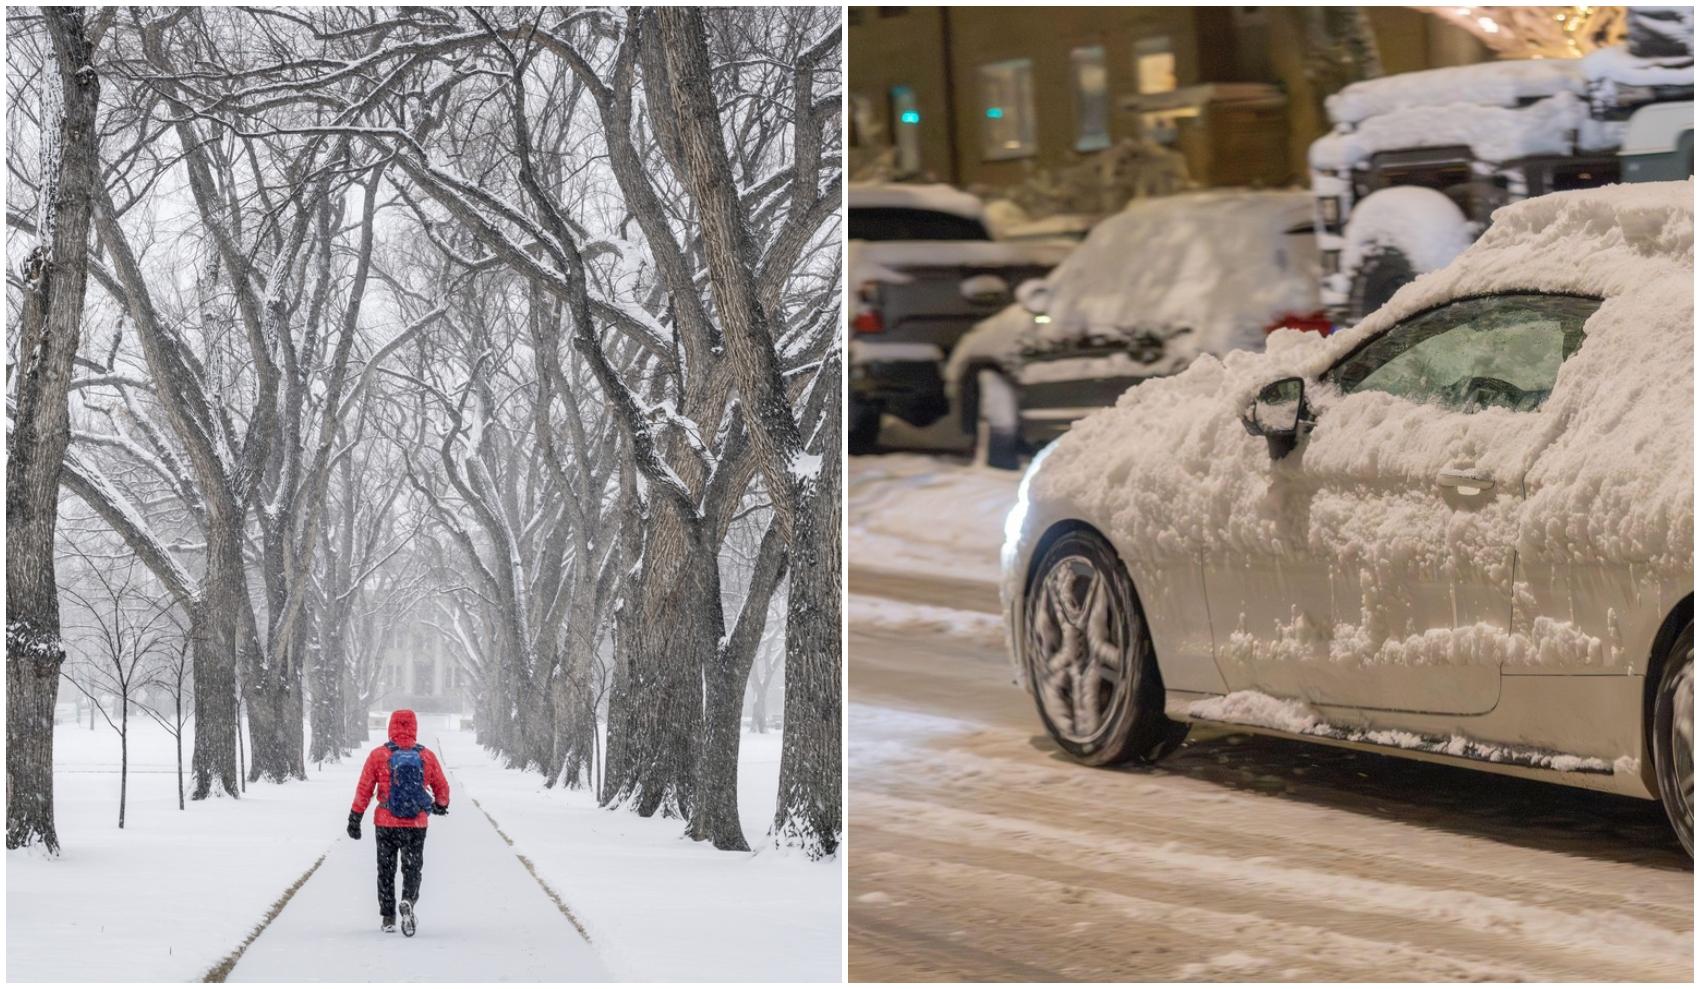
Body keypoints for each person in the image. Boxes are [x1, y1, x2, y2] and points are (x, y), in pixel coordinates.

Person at [347, 709, 450, 934]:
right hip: (415, 824)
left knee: (386, 869)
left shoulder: (378, 755)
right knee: (412, 868)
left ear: (391, 727)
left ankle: (388, 916)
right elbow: (442, 788)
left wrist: (355, 817)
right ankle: (408, 901)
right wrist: (441, 805)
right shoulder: (426, 756)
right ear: (414, 727)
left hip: (385, 822)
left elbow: (364, 789)